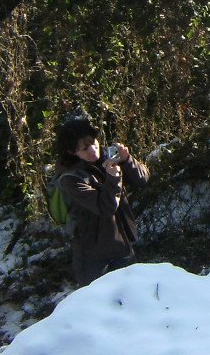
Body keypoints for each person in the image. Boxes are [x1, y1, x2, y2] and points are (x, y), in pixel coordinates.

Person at [54, 114, 150, 286]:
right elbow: (105, 207)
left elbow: (142, 180)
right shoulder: (71, 179)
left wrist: (127, 160)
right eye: (84, 149)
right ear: (72, 152)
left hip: (122, 245)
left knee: (135, 295)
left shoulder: (108, 157)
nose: (92, 150)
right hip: (92, 255)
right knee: (100, 306)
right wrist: (113, 179)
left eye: (93, 142)